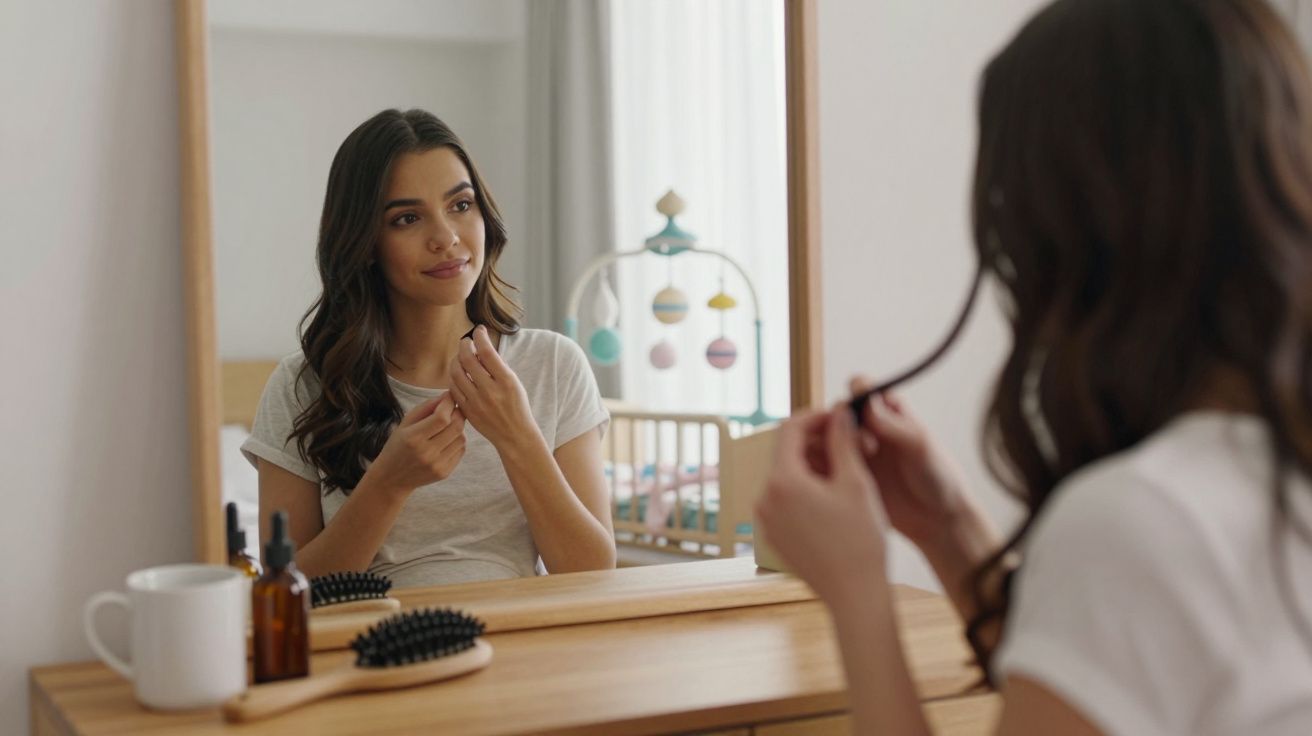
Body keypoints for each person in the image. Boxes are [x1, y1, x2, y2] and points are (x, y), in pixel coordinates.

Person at [756, 1, 1312, 733]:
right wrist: (950, 529)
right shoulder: (1249, 483)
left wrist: (857, 595)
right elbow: (1114, 680)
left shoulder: (1139, 522)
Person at [242, 109, 615, 588]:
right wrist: (388, 483)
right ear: (365, 242)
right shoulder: (302, 388)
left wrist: (518, 437)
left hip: (519, 631)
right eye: (407, 218)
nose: (446, 237)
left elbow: (592, 576)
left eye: (461, 205)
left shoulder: (553, 365)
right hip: (372, 631)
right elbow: (287, 592)